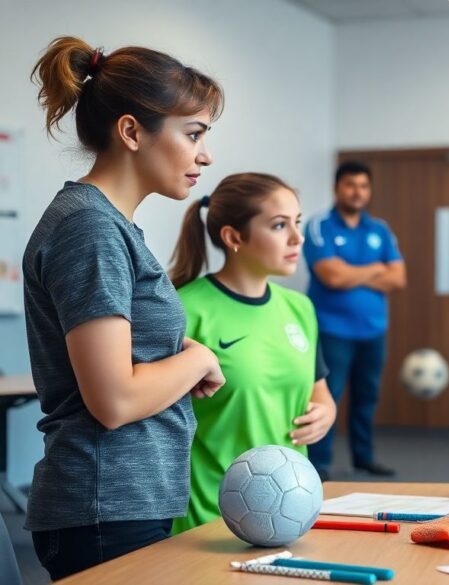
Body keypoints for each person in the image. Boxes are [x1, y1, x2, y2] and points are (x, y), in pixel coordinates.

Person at [23, 37, 225, 580]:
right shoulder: (90, 228)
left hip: (125, 502)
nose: (204, 155)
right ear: (132, 131)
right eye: (194, 134)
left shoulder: (108, 226)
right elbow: (113, 400)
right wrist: (198, 360)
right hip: (102, 506)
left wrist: (172, 357)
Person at [167, 173, 336, 533]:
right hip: (209, 518)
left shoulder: (300, 308)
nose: (297, 237)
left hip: (291, 514)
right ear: (233, 237)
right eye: (279, 225)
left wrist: (326, 411)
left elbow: (317, 390)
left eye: (298, 223)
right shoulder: (184, 310)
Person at [304, 161, 406, 478]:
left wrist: (353, 273)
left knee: (367, 397)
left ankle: (364, 457)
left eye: (363, 186)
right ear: (337, 188)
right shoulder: (320, 225)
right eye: (350, 185)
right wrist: (377, 269)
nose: (357, 192)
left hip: (373, 330)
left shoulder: (380, 229)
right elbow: (331, 276)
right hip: (332, 330)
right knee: (326, 396)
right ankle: (318, 464)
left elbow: (399, 278)